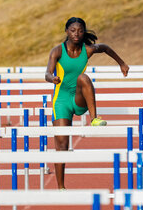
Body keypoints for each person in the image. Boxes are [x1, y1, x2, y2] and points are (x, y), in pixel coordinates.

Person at [45, 17, 129, 190]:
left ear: (84, 32)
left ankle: (94, 118)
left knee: (83, 78)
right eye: (73, 30)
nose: (77, 34)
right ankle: (61, 187)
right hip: (61, 100)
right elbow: (47, 72)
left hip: (78, 97)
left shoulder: (88, 50)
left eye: (80, 30)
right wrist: (52, 78)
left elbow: (105, 47)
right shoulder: (57, 51)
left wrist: (122, 63)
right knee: (61, 145)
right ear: (66, 31)